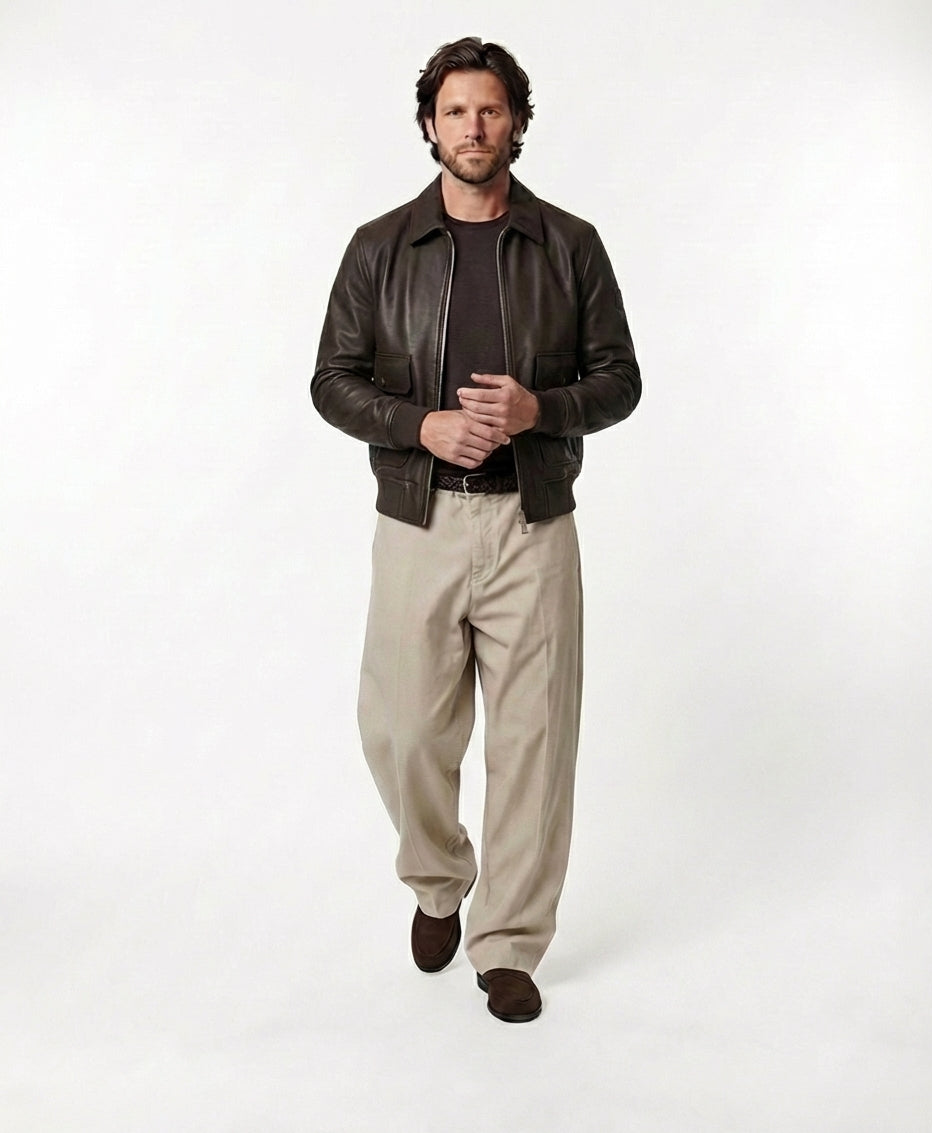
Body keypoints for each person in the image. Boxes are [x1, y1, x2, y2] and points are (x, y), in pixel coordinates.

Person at [311, 36, 641, 1023]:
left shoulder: (569, 245)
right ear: (428, 125)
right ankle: (438, 878)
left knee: (534, 742)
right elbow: (332, 380)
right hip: (418, 520)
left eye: (490, 109)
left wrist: (541, 409)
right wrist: (419, 425)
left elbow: (619, 379)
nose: (473, 126)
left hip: (532, 522)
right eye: (454, 110)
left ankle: (507, 942)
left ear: (517, 124)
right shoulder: (379, 247)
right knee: (403, 729)